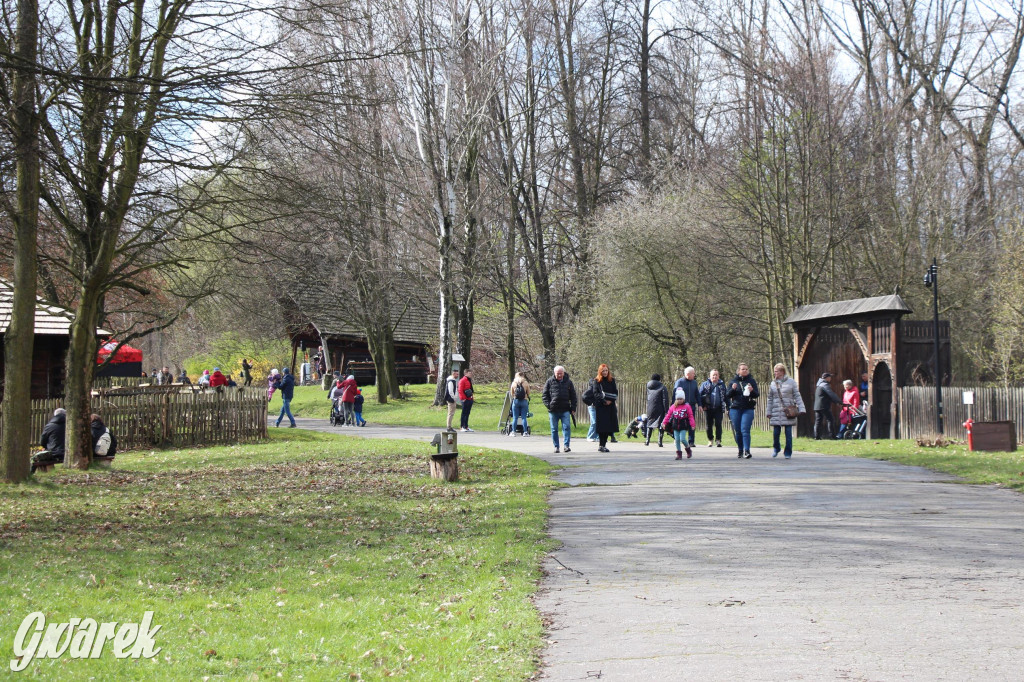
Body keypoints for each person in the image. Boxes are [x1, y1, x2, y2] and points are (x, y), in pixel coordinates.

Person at [766, 363, 806, 459]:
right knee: (776, 433)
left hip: (788, 411)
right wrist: (768, 412)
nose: (775, 373)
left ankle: (788, 452)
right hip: (776, 411)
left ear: (782, 372)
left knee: (788, 433)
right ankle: (776, 448)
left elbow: (797, 395)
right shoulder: (773, 383)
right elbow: (770, 398)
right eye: (774, 371)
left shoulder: (791, 382)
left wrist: (802, 408)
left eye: (777, 371)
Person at [542, 365, 577, 454]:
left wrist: (573, 407)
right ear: (554, 373)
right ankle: (556, 447)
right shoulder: (549, 382)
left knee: (567, 427)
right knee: (554, 429)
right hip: (553, 410)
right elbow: (544, 396)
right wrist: (549, 405)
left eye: (561, 373)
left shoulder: (568, 382)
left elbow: (573, 396)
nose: (559, 375)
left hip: (565, 409)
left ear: (564, 373)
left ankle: (566, 446)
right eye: (558, 374)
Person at [727, 363, 759, 459]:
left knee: (745, 430)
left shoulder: (751, 381)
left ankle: (747, 450)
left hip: (747, 408)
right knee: (738, 431)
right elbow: (727, 395)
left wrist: (752, 390)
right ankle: (740, 450)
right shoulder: (733, 381)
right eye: (742, 369)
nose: (745, 370)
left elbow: (756, 395)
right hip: (735, 408)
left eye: (746, 369)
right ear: (738, 371)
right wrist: (733, 389)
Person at [585, 364, 619, 453]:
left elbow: (615, 392)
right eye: (603, 371)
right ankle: (601, 445)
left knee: (608, 427)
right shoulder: (596, 381)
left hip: (610, 406)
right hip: (601, 406)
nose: (605, 372)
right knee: (602, 427)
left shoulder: (612, 381)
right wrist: (604, 401)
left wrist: (610, 400)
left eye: (606, 370)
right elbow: (596, 393)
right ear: (600, 371)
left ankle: (604, 445)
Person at [662, 388, 696, 460]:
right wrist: (664, 423)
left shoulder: (687, 406)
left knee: (682, 439)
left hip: (683, 425)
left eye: (681, 399)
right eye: (678, 399)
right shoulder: (673, 407)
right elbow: (668, 415)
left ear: (684, 399)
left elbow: (690, 416)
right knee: (677, 439)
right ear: (676, 399)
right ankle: (679, 454)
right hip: (675, 425)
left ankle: (688, 449)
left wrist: (692, 424)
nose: (680, 400)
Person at [699, 369, 728, 447]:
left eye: (716, 375)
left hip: (718, 408)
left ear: (718, 376)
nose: (714, 376)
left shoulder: (722, 385)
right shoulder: (704, 384)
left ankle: (718, 440)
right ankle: (710, 440)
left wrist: (728, 407)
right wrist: (701, 405)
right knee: (709, 425)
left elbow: (726, 396)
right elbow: (699, 396)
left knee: (718, 424)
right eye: (713, 375)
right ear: (710, 376)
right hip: (708, 408)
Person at [673, 367, 700, 449]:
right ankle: (676, 439)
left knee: (691, 422)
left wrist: (700, 405)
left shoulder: (694, 383)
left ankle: (691, 441)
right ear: (688, 374)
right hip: (681, 407)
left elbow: (697, 394)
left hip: (691, 406)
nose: (694, 375)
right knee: (679, 423)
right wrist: (674, 405)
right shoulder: (679, 382)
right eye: (693, 373)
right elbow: (675, 394)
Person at [814, 372, 842, 440]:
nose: (830, 378)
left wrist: (836, 402)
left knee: (818, 421)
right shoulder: (825, 385)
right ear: (827, 378)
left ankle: (817, 436)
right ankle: (832, 436)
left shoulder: (819, 385)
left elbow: (827, 396)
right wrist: (839, 401)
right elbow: (831, 394)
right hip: (824, 406)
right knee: (830, 420)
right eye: (830, 377)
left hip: (817, 406)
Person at [645, 373, 669, 447]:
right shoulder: (662, 387)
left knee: (650, 423)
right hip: (660, 408)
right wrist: (666, 410)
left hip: (650, 408)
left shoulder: (648, 387)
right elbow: (665, 399)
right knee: (661, 424)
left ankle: (647, 440)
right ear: (659, 379)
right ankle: (659, 442)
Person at [509, 372, 531, 436]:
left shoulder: (513, 383)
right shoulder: (526, 383)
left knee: (515, 417)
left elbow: (512, 393)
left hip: (516, 401)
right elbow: (529, 392)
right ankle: (525, 432)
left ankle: (513, 432)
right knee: (524, 417)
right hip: (524, 401)